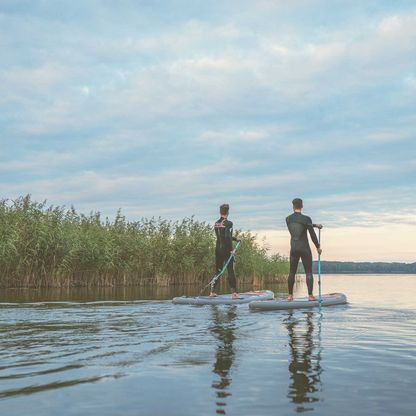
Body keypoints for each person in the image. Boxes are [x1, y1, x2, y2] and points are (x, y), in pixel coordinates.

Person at [286, 198, 322, 301]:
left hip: (293, 248)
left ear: (293, 206)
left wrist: (315, 225)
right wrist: (318, 247)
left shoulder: (287, 219)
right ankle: (310, 296)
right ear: (302, 206)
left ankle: (290, 295)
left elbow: (299, 223)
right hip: (304, 248)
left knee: (292, 272)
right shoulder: (307, 219)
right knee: (308, 272)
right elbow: (312, 234)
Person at [211, 204, 239, 299]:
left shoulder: (216, 223)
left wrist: (235, 238)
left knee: (218, 271)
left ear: (220, 212)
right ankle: (234, 293)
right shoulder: (229, 223)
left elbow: (222, 236)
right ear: (228, 212)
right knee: (230, 271)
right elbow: (227, 237)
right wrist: (231, 250)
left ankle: (212, 292)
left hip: (218, 249)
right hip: (226, 250)